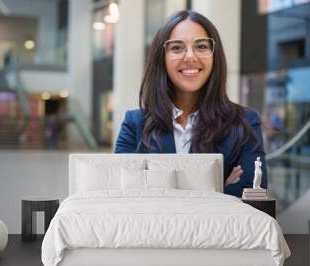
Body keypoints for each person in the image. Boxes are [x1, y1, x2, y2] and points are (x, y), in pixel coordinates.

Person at [114, 10, 267, 197]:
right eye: (177, 48)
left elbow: (253, 194)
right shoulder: (135, 124)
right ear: (161, 58)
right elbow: (124, 197)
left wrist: (164, 193)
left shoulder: (245, 122)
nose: (190, 57)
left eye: (201, 46)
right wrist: (219, 190)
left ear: (214, 55)